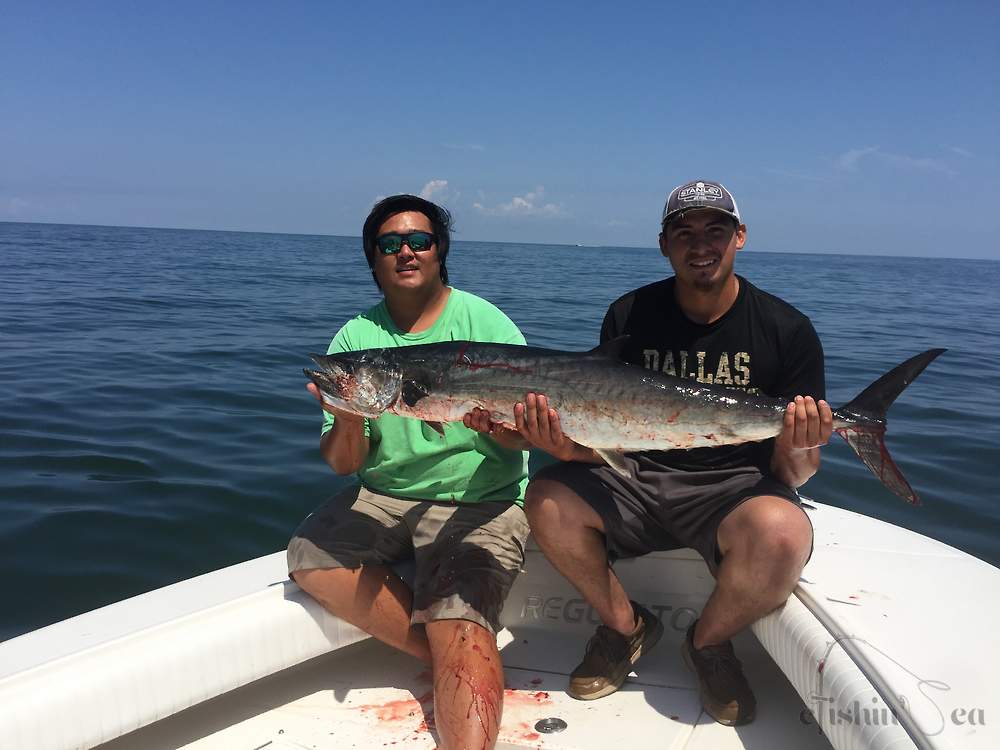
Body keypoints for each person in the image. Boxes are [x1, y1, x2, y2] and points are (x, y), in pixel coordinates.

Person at [514, 179, 833, 726]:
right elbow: (606, 435)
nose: (700, 244)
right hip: (634, 476)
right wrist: (562, 445)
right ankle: (624, 627)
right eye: (684, 233)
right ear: (664, 244)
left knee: (784, 534)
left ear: (741, 237)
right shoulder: (629, 314)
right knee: (545, 498)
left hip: (733, 489)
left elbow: (792, 475)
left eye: (716, 230)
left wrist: (802, 446)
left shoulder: (787, 330)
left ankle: (708, 644)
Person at [287, 195, 530, 750]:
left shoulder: (484, 320)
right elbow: (345, 463)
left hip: (480, 498)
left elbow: (524, 433)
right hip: (385, 494)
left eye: (419, 240)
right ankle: (448, 656)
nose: (406, 252)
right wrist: (349, 417)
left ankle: (460, 648)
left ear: (440, 252)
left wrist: (507, 428)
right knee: (309, 556)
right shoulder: (353, 340)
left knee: (460, 619)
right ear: (373, 259)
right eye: (389, 244)